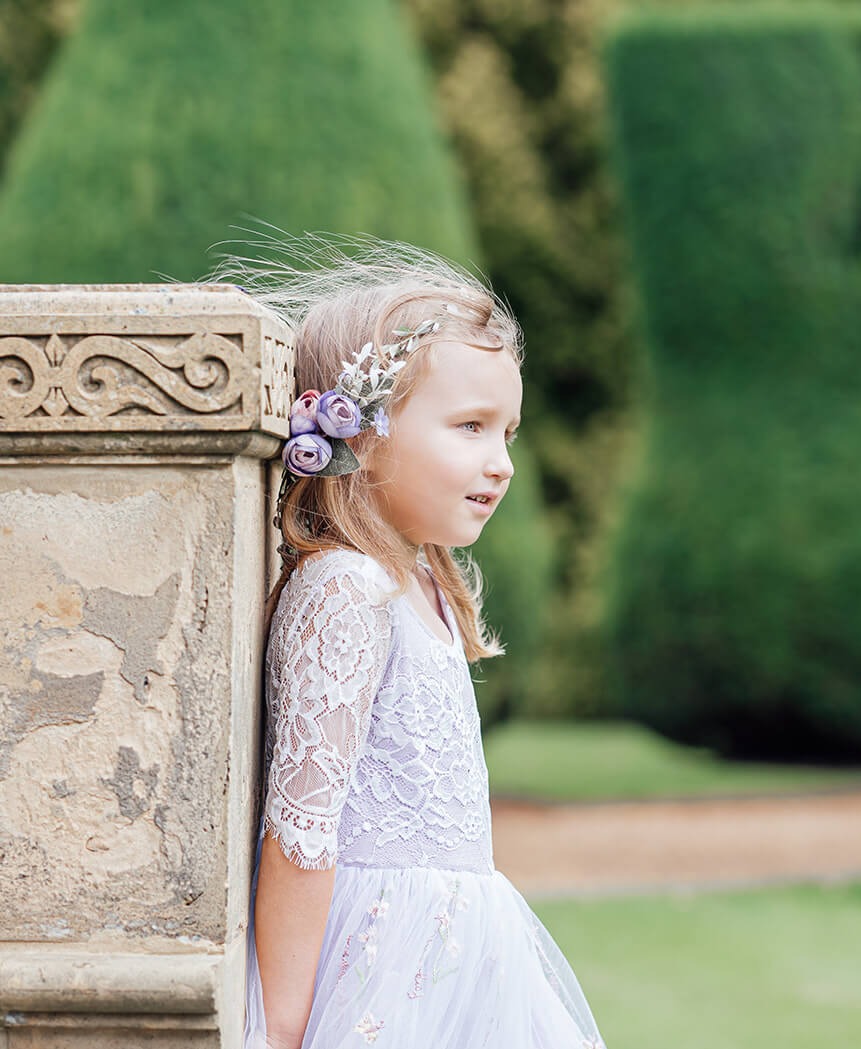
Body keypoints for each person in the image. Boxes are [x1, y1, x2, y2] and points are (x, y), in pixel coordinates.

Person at [220, 235, 605, 1049]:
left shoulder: (419, 583)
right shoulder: (347, 589)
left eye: (508, 433)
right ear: (363, 431)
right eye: (468, 426)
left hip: (461, 953)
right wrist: (284, 1030)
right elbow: (300, 834)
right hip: (378, 968)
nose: (499, 463)